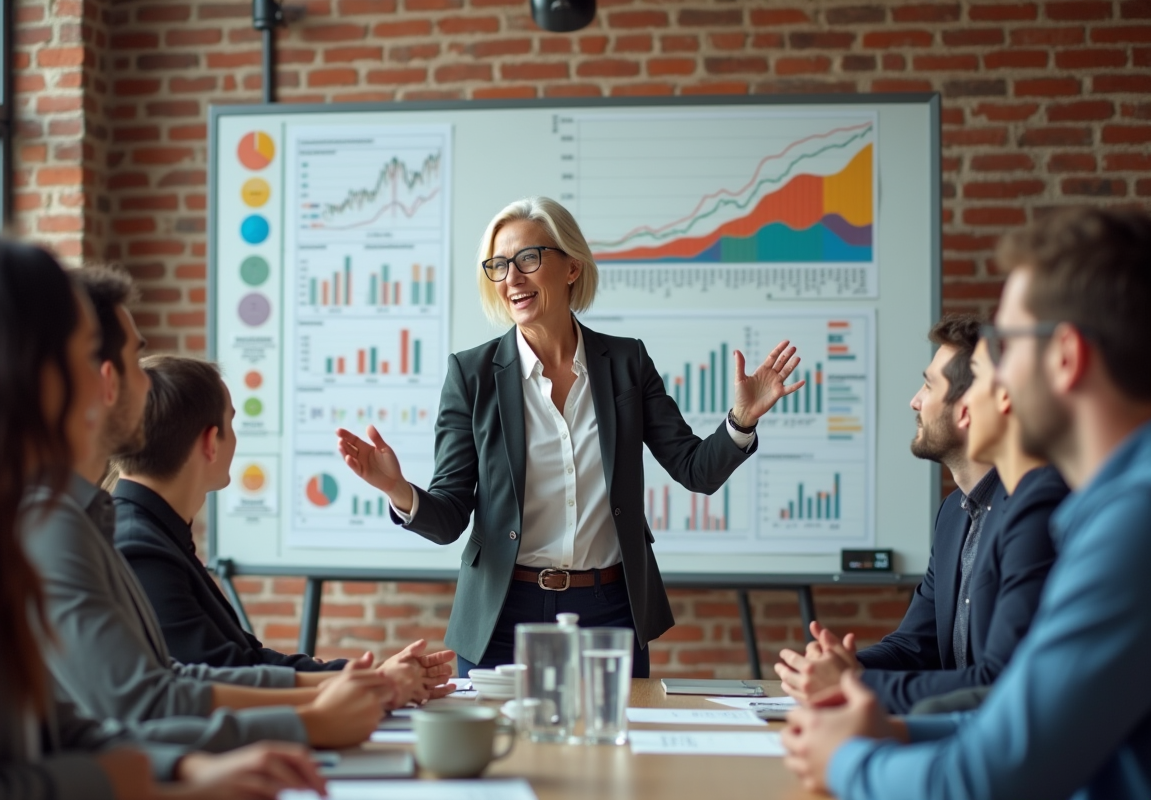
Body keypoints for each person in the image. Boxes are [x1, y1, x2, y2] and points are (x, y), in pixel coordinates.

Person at [336, 196, 805, 677]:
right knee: (503, 753)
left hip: (609, 610)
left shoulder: (627, 363)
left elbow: (694, 470)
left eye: (528, 259)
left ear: (571, 268)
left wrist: (741, 421)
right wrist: (397, 489)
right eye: (498, 266)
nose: (511, 278)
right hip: (502, 613)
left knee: (613, 747)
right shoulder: (471, 375)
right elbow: (449, 518)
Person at [782, 207, 1151, 799]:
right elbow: (1018, 721)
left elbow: (993, 773)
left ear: (1065, 356)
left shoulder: (1132, 524)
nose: (991, 377)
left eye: (1005, 343)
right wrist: (897, 729)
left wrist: (848, 759)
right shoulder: (1107, 510)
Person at [0, 235, 327, 799]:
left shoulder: (2, 523)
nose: (111, 383)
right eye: (85, 356)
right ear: (29, 371)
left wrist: (180, 772)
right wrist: (124, 779)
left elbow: (61, 728)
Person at [22, 265, 399, 751]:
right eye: (137, 364)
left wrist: (344, 686)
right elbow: (145, 703)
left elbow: (163, 684)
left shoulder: (94, 520)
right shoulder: (87, 532)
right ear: (105, 380)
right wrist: (313, 719)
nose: (147, 384)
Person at [111, 354, 456, 694]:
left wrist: (368, 675)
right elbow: (222, 675)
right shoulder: (140, 549)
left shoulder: (152, 531)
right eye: (231, 425)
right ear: (209, 443)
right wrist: (374, 683)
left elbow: (246, 659)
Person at [777, 316, 1066, 713]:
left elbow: (1000, 681)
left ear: (965, 411)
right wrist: (845, 667)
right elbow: (915, 645)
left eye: (929, 385)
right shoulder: (953, 514)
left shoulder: (1032, 511)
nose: (915, 400)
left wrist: (855, 684)